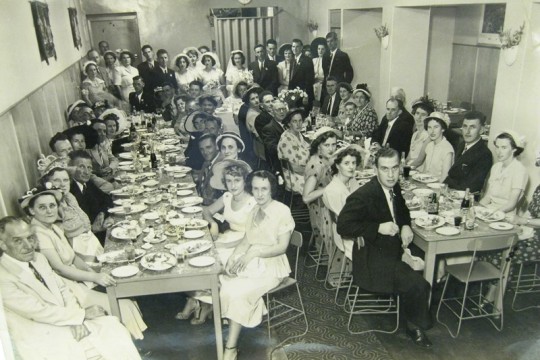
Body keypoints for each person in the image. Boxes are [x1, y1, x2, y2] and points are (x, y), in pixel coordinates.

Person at [0, 216, 141, 360]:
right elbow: (38, 311)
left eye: (30, 238)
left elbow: (63, 290)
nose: (28, 245)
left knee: (113, 326)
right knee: (104, 344)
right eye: (18, 241)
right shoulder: (3, 277)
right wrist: (79, 317)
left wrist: (76, 319)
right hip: (41, 332)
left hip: (64, 319)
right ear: (3, 244)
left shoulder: (38, 258)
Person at [337, 147, 433, 348]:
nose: (390, 174)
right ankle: (414, 326)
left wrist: (406, 224)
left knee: (431, 265)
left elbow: (402, 209)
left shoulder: (394, 186)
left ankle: (409, 308)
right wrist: (378, 228)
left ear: (400, 168)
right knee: (420, 285)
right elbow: (343, 226)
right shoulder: (363, 195)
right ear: (375, 169)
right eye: (385, 169)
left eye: (394, 168)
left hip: (393, 249)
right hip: (373, 259)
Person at [20, 189, 147, 339]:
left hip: (76, 278)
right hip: (67, 288)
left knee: (122, 287)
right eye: (42, 207)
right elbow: (60, 269)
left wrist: (92, 272)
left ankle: (132, 340)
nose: (49, 211)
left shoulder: (53, 227)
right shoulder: (38, 233)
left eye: (52, 206)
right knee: (124, 304)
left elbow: (73, 257)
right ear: (31, 211)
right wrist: (94, 278)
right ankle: (130, 343)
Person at [220, 170, 295, 360]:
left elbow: (282, 247)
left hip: (273, 266)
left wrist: (254, 252)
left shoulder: (282, 210)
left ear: (272, 189)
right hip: (253, 262)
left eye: (264, 189)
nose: (259, 194)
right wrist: (234, 256)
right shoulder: (254, 209)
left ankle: (230, 348)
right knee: (226, 286)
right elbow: (247, 239)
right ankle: (244, 320)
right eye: (255, 189)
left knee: (237, 294)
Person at [177, 160, 256, 325]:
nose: (232, 185)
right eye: (228, 181)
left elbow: (251, 236)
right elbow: (205, 210)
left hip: (245, 244)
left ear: (245, 181)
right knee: (194, 257)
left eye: (237, 180)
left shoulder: (252, 202)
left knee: (215, 260)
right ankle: (197, 300)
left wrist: (223, 245)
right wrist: (212, 223)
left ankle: (207, 304)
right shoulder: (227, 196)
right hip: (227, 236)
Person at [40, 167, 104, 265]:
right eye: (57, 180)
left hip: (91, 243)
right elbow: (62, 244)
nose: (62, 184)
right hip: (79, 251)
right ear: (47, 184)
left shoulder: (69, 196)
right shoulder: (52, 207)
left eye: (65, 180)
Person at [322, 146, 362, 263]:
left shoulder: (352, 181)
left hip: (356, 227)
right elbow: (347, 221)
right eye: (347, 163)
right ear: (338, 166)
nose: (351, 167)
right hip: (348, 237)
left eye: (354, 163)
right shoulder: (333, 191)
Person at [303, 127, 339, 255]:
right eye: (327, 145)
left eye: (334, 144)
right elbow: (306, 197)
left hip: (324, 206)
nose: (331, 149)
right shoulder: (316, 165)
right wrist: (330, 188)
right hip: (322, 211)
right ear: (319, 146)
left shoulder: (323, 159)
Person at [68, 150, 114, 243]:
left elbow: (107, 199)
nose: (87, 172)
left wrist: (102, 213)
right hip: (87, 240)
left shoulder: (87, 183)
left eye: (89, 168)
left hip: (99, 231)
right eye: (81, 167)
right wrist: (93, 228)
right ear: (71, 168)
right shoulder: (70, 191)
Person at [444, 111, 493, 193]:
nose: (467, 131)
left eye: (472, 127)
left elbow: (472, 186)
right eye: (465, 126)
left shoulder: (484, 154)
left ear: (481, 130)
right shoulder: (462, 145)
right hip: (451, 192)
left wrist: (448, 183)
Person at [480, 131, 528, 214]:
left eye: (504, 147)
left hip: (506, 215)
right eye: (497, 147)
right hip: (489, 210)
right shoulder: (496, 167)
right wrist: (477, 208)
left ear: (514, 149)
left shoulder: (520, 170)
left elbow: (511, 204)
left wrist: (492, 214)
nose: (498, 151)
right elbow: (488, 197)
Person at [413, 112, 454, 182]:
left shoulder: (447, 149)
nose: (432, 131)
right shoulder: (429, 146)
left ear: (443, 129)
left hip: (438, 187)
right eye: (429, 127)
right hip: (426, 185)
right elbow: (425, 172)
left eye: (436, 127)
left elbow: (444, 179)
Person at [278, 109, 310, 193]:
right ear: (289, 123)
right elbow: (294, 167)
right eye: (294, 121)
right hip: (295, 177)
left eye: (300, 121)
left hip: (303, 170)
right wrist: (311, 172)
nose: (298, 124)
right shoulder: (286, 140)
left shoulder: (298, 134)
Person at [260, 99, 288, 173]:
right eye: (278, 110)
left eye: (284, 109)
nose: (282, 112)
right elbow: (272, 149)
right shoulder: (268, 128)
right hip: (281, 163)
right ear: (272, 112)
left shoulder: (288, 123)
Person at [406, 97, 434, 165]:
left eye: (423, 114)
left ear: (428, 117)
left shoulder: (428, 136)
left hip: (419, 170)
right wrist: (402, 164)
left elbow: (420, 160)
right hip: (410, 168)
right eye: (417, 113)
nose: (419, 117)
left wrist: (406, 168)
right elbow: (409, 156)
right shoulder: (415, 134)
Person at [289, 39, 314, 113]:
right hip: (294, 94)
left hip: (303, 94)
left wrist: (305, 95)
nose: (295, 49)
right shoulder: (292, 60)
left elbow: (309, 80)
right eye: (293, 46)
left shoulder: (307, 60)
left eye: (297, 46)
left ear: (301, 48)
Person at [196, 133, 221, 206]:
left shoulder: (221, 165)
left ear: (217, 146)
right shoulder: (207, 162)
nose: (205, 152)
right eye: (202, 149)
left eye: (208, 147)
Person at [312, 39, 327, 104]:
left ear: (325, 50)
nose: (320, 51)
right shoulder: (313, 60)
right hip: (313, 85)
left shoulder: (327, 61)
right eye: (319, 49)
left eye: (322, 49)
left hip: (323, 86)